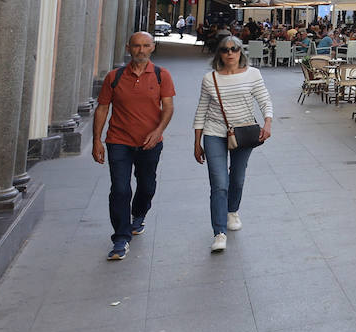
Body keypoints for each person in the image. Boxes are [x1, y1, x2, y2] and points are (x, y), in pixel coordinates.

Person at [92, 32, 176, 261]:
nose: (141, 50)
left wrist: (158, 132)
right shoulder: (114, 77)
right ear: (129, 48)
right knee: (120, 189)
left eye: (145, 46)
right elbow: (102, 108)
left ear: (152, 48)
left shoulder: (161, 76)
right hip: (118, 141)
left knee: (147, 186)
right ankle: (120, 237)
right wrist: (96, 140)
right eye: (136, 46)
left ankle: (138, 214)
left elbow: (168, 107)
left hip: (150, 142)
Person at [193, 37, 273, 253]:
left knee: (236, 178)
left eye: (234, 49)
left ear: (240, 52)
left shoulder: (253, 74)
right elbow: (201, 109)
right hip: (214, 133)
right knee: (219, 183)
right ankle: (219, 232)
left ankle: (232, 210)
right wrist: (196, 141)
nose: (230, 53)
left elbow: (264, 99)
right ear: (219, 53)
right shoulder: (210, 79)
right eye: (225, 50)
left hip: (244, 133)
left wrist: (267, 122)